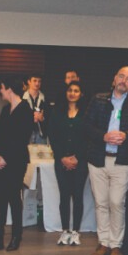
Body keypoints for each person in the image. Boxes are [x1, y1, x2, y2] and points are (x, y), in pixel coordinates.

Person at [82, 66, 128, 255]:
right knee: (101, 203)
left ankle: (116, 245)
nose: (123, 81)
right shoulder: (98, 99)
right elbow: (85, 125)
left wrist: (126, 135)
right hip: (98, 158)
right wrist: (103, 136)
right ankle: (103, 243)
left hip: (123, 160)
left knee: (117, 202)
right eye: (121, 76)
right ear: (114, 78)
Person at [0, 75, 34, 252]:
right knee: (1, 199)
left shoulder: (25, 110)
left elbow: (21, 139)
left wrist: (5, 157)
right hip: (0, 161)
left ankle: (16, 236)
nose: (0, 91)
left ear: (9, 89)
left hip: (16, 162)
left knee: (14, 199)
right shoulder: (6, 109)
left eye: (1, 88)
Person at [48, 80, 88, 246]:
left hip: (80, 162)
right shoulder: (57, 112)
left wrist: (77, 157)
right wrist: (62, 157)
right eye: (70, 90)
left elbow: (88, 139)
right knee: (64, 196)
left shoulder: (86, 114)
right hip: (61, 161)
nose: (72, 93)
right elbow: (53, 136)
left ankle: (76, 232)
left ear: (81, 94)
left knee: (78, 196)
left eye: (76, 90)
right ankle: (65, 231)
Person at [23, 74, 47, 144]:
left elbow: (50, 118)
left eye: (39, 81)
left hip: (41, 133)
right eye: (35, 81)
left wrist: (42, 118)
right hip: (26, 133)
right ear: (29, 82)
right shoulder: (21, 98)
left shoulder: (45, 99)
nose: (37, 83)